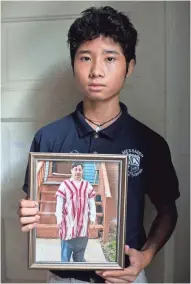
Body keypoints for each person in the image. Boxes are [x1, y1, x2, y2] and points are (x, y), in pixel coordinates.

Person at [18, 6, 180, 283]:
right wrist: (30, 211)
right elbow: (36, 203)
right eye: (85, 58)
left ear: (129, 66)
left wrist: (147, 255)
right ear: (73, 64)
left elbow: (167, 211)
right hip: (62, 276)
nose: (96, 71)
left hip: (125, 275)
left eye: (109, 58)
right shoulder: (49, 137)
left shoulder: (150, 143)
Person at [55, 162, 96, 262]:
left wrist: (93, 217)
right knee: (65, 257)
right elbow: (59, 203)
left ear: (82, 171)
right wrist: (59, 218)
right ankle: (65, 274)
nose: (78, 172)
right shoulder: (64, 185)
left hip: (82, 227)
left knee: (80, 258)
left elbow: (92, 203)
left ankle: (79, 273)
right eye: (75, 169)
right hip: (68, 226)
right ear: (71, 171)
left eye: (80, 170)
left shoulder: (87, 186)